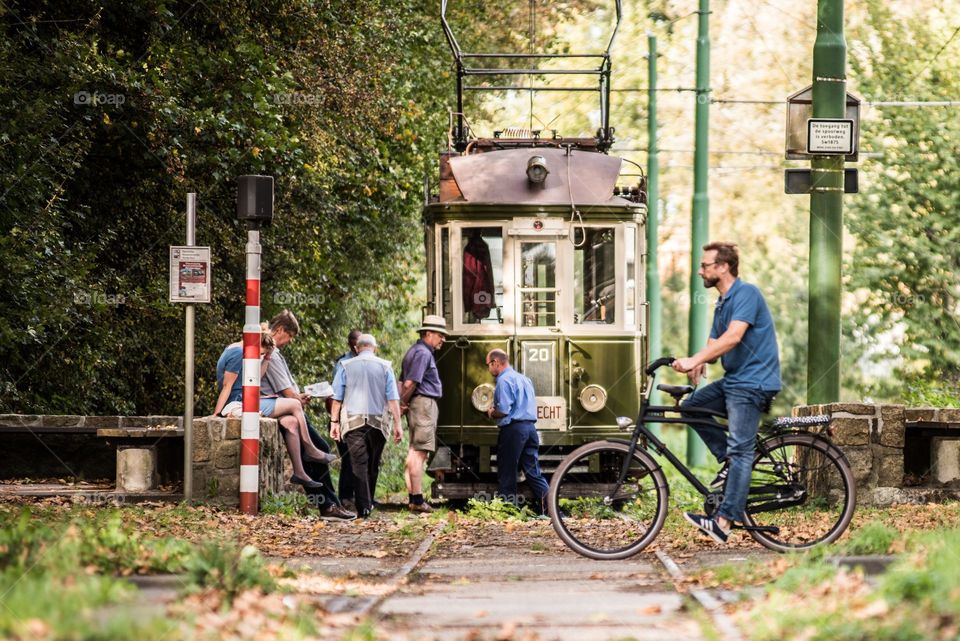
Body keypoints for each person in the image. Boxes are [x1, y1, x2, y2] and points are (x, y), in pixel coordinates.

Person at [671, 242, 781, 544]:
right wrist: (700, 360)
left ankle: (723, 522)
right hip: (736, 382)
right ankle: (730, 465)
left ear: (723, 267)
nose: (699, 271)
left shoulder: (746, 294)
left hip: (753, 383)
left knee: (741, 451)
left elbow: (733, 337)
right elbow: (715, 339)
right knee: (692, 406)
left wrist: (696, 359)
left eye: (705, 265)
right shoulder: (723, 301)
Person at [263, 310, 354, 520]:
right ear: (279, 330)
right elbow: (286, 392)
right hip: (282, 407)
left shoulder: (272, 352)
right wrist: (298, 397)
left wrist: (298, 397)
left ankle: (327, 504)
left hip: (285, 406)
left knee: (315, 451)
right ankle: (328, 505)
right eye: (290, 336)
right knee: (319, 449)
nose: (290, 341)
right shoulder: (272, 354)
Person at [213, 325, 329, 490]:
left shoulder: (243, 350)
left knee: (290, 422)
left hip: (248, 398)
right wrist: (217, 412)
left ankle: (299, 472)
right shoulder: (237, 353)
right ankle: (310, 449)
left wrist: (267, 357)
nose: (260, 356)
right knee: (295, 404)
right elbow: (226, 386)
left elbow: (256, 379)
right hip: (237, 402)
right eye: (260, 353)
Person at [329, 334, 402, 518]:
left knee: (358, 464)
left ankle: (364, 507)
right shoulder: (386, 366)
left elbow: (336, 398)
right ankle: (366, 504)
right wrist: (398, 425)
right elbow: (393, 399)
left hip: (353, 422)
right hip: (378, 423)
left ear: (357, 348)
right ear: (374, 348)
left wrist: (334, 423)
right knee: (372, 463)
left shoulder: (345, 366)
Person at [484, 349, 549, 514]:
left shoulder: (504, 380)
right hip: (530, 429)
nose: (488, 369)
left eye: (488, 365)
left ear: (496, 363)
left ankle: (509, 511)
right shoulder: (525, 379)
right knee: (534, 473)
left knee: (507, 472)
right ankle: (551, 510)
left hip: (513, 430)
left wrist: (492, 412)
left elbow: (504, 411)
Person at [398, 315, 448, 513]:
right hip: (423, 404)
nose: (443, 339)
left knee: (414, 451)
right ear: (428, 334)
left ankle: (413, 497)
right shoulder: (423, 353)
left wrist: (403, 403)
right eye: (440, 335)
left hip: (417, 404)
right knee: (420, 452)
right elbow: (410, 383)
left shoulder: (414, 351)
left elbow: (403, 382)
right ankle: (417, 500)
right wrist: (402, 403)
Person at [327, 329, 362, 509]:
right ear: (350, 343)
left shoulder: (366, 361)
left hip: (361, 416)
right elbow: (335, 394)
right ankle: (346, 497)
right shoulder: (343, 363)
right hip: (343, 416)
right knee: (348, 458)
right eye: (355, 343)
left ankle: (361, 496)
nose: (357, 346)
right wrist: (335, 421)